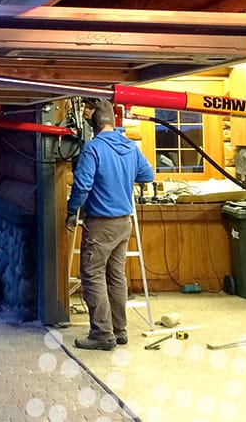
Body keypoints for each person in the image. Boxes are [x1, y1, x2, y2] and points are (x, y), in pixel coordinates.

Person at [66, 99, 154, 351]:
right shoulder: (130, 146)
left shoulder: (93, 149)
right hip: (124, 223)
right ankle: (119, 330)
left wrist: (72, 211)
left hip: (101, 224)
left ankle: (102, 334)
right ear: (113, 123)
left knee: (92, 275)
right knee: (115, 275)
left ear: (93, 124)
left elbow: (82, 185)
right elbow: (147, 175)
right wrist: (124, 175)